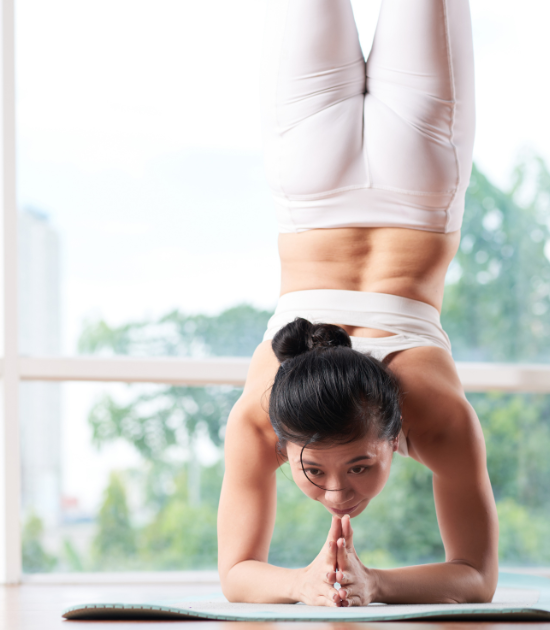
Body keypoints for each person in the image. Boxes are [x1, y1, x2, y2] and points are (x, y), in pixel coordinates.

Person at [217, 0, 498, 607]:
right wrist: (369, 585)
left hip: (323, 186)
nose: (338, 495)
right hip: (408, 181)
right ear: (398, 431)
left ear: (282, 441)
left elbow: (237, 573)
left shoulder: (261, 418)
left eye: (346, 468)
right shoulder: (438, 416)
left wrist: (303, 585)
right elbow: (476, 577)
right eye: (323, 471)